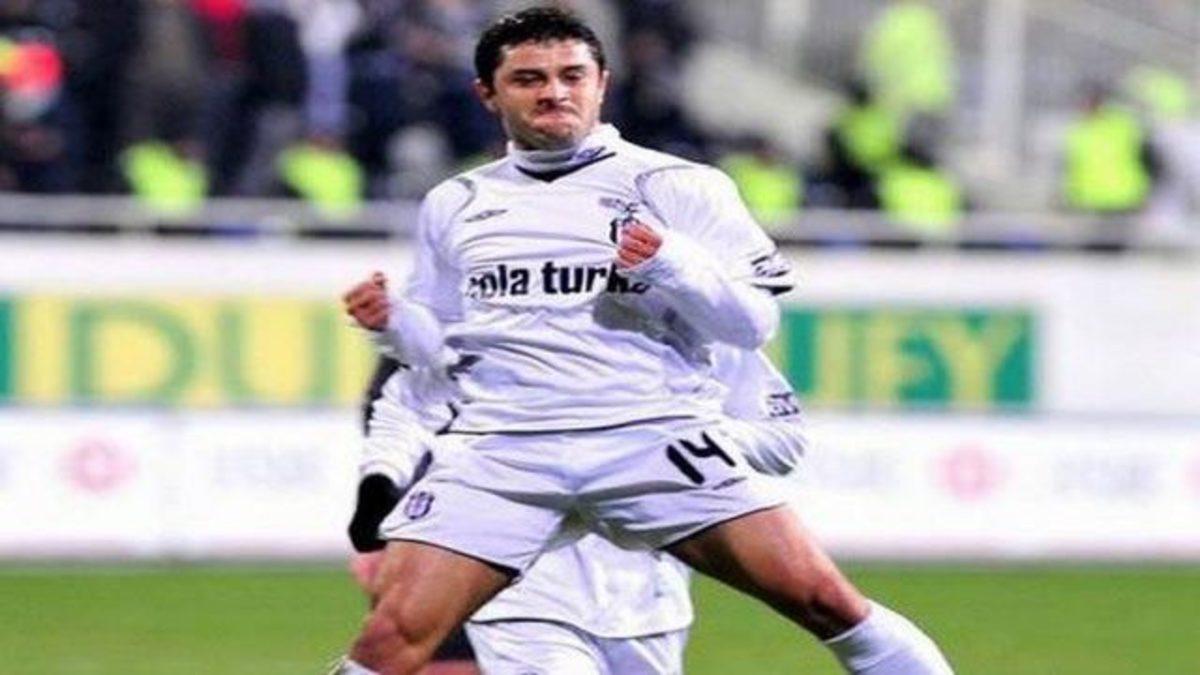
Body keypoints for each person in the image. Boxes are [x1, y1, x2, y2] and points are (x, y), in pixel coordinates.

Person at [333, 8, 954, 674]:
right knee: (390, 639)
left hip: (647, 436)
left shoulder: (677, 185)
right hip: (508, 448)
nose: (554, 92)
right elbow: (438, 348)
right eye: (529, 79)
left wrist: (669, 263)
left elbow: (752, 325)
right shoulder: (454, 203)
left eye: (573, 75)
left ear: (602, 83)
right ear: (488, 93)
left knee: (826, 601)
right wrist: (393, 320)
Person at [346, 307, 809, 673]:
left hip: (649, 597)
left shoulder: (692, 314)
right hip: (524, 587)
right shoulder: (484, 315)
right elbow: (402, 412)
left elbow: (782, 438)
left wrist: (671, 437)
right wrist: (396, 521)